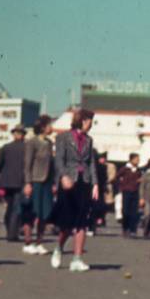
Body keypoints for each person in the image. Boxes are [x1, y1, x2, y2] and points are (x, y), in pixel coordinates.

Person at [47, 109, 100, 272]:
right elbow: (59, 160)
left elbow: (91, 162)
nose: (91, 124)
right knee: (67, 224)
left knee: (82, 222)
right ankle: (59, 248)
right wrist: (63, 176)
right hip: (68, 182)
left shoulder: (89, 140)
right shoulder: (63, 137)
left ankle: (77, 259)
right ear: (82, 120)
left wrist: (95, 184)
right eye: (90, 120)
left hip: (84, 182)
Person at [22, 115, 55, 254]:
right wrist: (28, 183)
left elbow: (52, 164)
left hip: (47, 182)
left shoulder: (49, 143)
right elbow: (27, 164)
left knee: (44, 213)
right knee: (31, 211)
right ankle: (28, 242)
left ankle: (39, 242)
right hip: (35, 181)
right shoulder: (32, 142)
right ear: (42, 127)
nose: (51, 127)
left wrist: (53, 182)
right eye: (49, 125)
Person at [0, 125, 28, 249]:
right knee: (16, 208)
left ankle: (10, 229)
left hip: (7, 181)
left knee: (10, 207)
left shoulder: (6, 147)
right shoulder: (27, 148)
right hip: (20, 181)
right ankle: (12, 233)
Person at [115, 152, 143, 238]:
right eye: (136, 159)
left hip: (135, 192)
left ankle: (133, 230)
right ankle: (125, 228)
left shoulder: (138, 170)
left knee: (134, 212)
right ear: (131, 159)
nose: (137, 161)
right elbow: (116, 177)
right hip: (126, 191)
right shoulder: (125, 168)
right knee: (125, 211)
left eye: (138, 159)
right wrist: (121, 185)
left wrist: (139, 181)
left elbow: (140, 179)